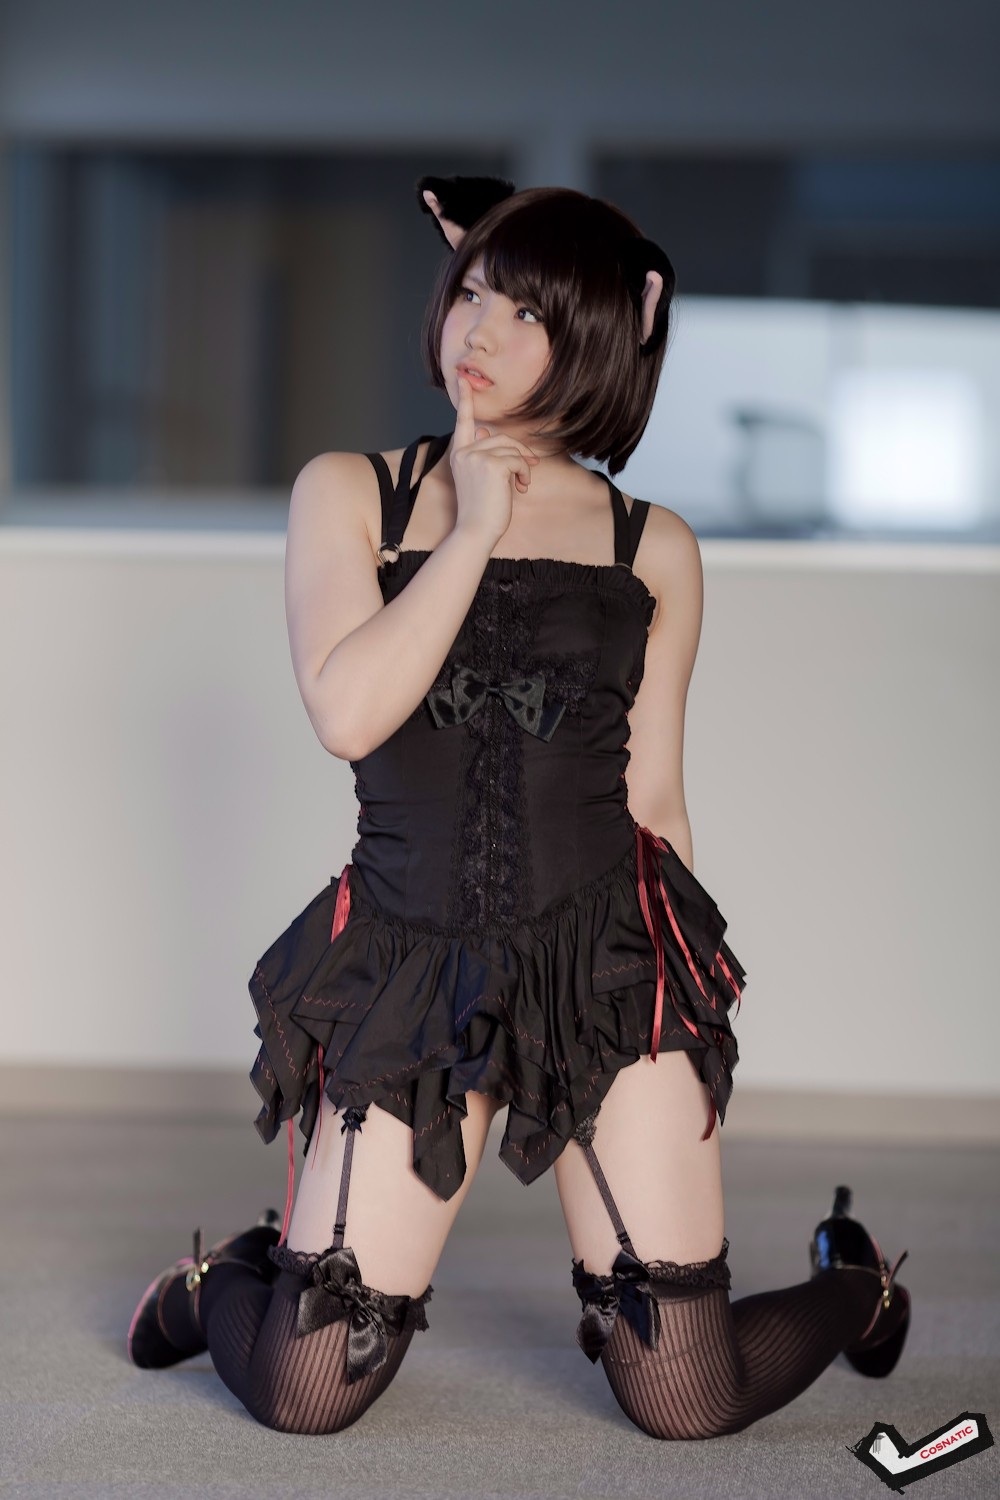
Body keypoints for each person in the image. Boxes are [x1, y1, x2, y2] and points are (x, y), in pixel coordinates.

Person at [126, 174, 911, 1438]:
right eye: (472, 294)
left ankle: (857, 1287)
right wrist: (469, 534)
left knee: (684, 1394)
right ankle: (219, 1281)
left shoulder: (651, 545)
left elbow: (654, 793)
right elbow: (348, 714)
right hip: (408, 960)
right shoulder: (353, 493)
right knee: (307, 1391)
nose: (478, 332)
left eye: (527, 312)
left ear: (595, 337)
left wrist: (690, 1018)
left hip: (602, 961)